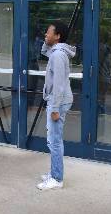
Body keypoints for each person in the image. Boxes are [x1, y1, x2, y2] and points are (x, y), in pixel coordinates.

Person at [37, 21, 76, 191]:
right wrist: (48, 41)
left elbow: (59, 84)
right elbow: (44, 50)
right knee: (53, 139)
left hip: (57, 102)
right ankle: (55, 172)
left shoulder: (58, 55)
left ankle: (57, 178)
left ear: (58, 36)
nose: (46, 35)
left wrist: (54, 108)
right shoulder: (55, 52)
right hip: (56, 101)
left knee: (54, 141)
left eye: (48, 32)